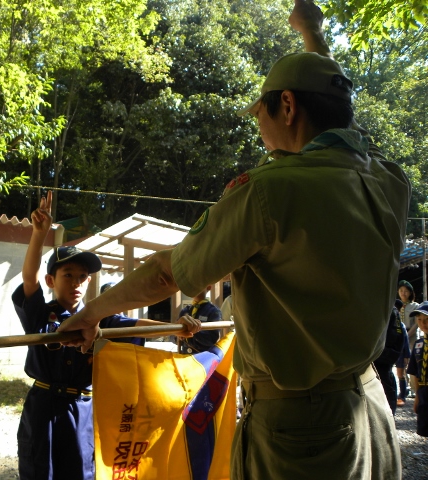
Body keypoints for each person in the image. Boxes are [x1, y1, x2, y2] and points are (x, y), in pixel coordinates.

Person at [59, 1, 410, 478]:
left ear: (288, 106)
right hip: (368, 405)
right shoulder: (387, 180)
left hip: (301, 428)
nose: (259, 126)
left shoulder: (270, 191)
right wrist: (313, 33)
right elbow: (340, 124)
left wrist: (90, 314)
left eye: (261, 112)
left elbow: (165, 273)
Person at [12, 191, 199, 480]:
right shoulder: (39, 314)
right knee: (40, 471)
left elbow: (138, 326)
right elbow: (29, 278)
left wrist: (177, 328)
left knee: (80, 470)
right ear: (51, 280)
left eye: (82, 277)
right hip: (43, 407)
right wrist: (39, 234)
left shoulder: (99, 318)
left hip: (83, 408)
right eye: (68, 275)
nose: (76, 283)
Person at [374, 301, 408, 414]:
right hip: (364, 366)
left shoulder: (390, 310)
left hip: (381, 366)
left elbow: (396, 345)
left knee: (386, 408)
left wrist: (375, 355)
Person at [174, 286, 222, 354]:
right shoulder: (185, 311)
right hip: (185, 355)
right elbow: (176, 337)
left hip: (203, 356)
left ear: (208, 287)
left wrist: (193, 330)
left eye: (198, 284)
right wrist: (178, 335)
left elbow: (212, 339)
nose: (194, 288)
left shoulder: (213, 311)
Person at [396, 279, 421, 406]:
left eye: (406, 291)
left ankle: (414, 389)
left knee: (412, 362)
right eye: (401, 290)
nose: (403, 293)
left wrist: (408, 334)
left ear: (410, 293)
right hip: (399, 336)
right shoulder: (395, 305)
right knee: (400, 363)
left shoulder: (415, 306)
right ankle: (403, 390)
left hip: (411, 336)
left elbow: (417, 323)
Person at [407, 301, 428, 437]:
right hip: (424, 392)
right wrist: (417, 398)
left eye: (426, 320)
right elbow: (415, 372)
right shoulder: (419, 345)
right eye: (419, 320)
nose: (423, 323)